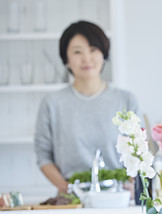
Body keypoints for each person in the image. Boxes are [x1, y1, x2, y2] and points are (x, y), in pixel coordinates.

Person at [34, 20, 140, 194]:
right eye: (77, 52)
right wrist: (66, 188)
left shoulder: (125, 99)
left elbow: (139, 151)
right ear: (65, 57)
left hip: (119, 196)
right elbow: (43, 156)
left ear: (103, 54)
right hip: (72, 198)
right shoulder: (52, 103)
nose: (86, 58)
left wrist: (130, 184)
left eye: (93, 50)